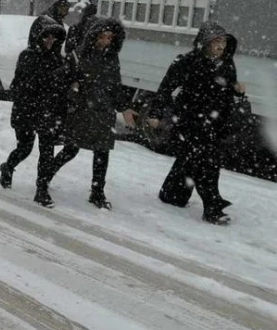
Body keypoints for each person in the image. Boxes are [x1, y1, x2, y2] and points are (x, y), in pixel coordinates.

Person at [36, 17, 138, 209]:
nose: (106, 41)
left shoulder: (111, 58)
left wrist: (124, 108)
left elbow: (116, 85)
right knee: (71, 149)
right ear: (94, 36)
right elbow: (61, 80)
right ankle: (45, 178)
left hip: (104, 112)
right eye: (102, 37)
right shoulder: (78, 55)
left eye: (109, 38)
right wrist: (72, 88)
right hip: (82, 110)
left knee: (102, 152)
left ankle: (97, 192)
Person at [149, 22, 243, 225]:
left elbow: (227, 93)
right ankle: (212, 206)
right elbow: (166, 88)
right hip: (189, 121)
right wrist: (156, 113)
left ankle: (171, 193)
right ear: (205, 43)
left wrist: (237, 92)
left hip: (215, 122)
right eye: (216, 42)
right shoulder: (187, 62)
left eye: (223, 42)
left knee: (191, 161)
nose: (221, 46)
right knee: (205, 163)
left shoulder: (226, 64)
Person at [0, 16, 69, 189]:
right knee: (25, 148)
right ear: (38, 36)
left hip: (47, 111)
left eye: (53, 37)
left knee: (46, 151)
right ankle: (8, 167)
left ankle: (42, 188)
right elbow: (18, 86)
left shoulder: (57, 59)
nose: (50, 41)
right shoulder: (27, 56)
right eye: (46, 37)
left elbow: (61, 88)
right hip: (27, 110)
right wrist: (44, 81)